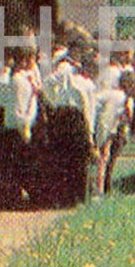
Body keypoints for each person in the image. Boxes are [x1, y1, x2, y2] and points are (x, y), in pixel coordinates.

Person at [35, 41, 98, 207]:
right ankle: (75, 198)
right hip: (74, 117)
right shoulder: (73, 74)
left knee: (66, 158)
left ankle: (67, 197)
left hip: (63, 115)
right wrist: (90, 134)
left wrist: (53, 103)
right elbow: (88, 111)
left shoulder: (69, 71)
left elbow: (47, 84)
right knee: (74, 159)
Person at [0, 42, 40, 210]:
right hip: (17, 128)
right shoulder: (17, 80)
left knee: (17, 166)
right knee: (15, 166)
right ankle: (10, 199)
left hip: (22, 125)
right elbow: (18, 107)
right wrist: (24, 127)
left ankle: (15, 197)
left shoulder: (24, 78)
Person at [92, 71, 135, 196]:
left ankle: (101, 189)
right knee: (102, 158)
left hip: (107, 127)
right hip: (100, 127)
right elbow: (106, 119)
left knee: (104, 158)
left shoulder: (121, 97)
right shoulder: (119, 98)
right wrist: (101, 140)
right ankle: (98, 191)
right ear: (129, 85)